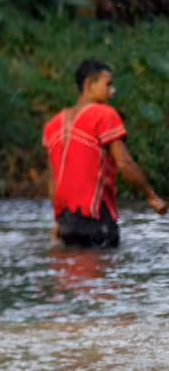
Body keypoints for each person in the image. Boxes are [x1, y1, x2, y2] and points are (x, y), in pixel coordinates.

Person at [42, 58, 166, 248]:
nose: (112, 91)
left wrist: (57, 220)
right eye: (107, 84)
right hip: (96, 216)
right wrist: (151, 196)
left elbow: (53, 179)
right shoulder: (104, 115)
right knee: (104, 264)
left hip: (66, 221)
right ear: (89, 85)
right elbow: (124, 162)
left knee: (72, 265)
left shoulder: (53, 124)